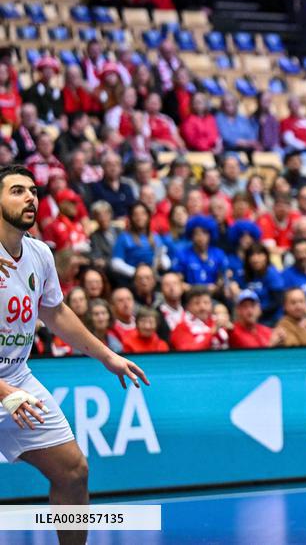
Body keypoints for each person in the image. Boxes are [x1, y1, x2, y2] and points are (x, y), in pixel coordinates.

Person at [0, 165, 148, 545]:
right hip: (6, 389)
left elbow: (55, 312)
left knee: (73, 471)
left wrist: (106, 356)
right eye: (17, 191)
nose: (30, 197)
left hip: (16, 378)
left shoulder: (39, 253)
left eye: (33, 191)